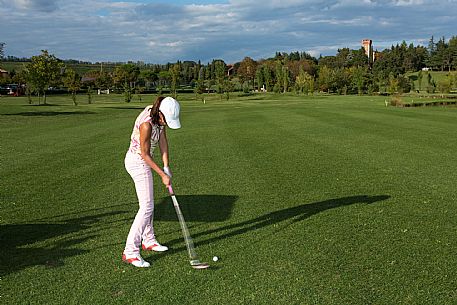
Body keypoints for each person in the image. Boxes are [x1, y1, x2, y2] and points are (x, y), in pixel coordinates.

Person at [122, 96, 181, 268]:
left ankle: (148, 240)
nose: (166, 124)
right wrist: (162, 174)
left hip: (145, 160)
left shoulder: (158, 116)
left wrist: (166, 166)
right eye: (166, 120)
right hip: (137, 161)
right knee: (146, 206)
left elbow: (163, 140)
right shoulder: (146, 124)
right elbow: (145, 154)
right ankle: (130, 251)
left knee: (148, 203)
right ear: (160, 114)